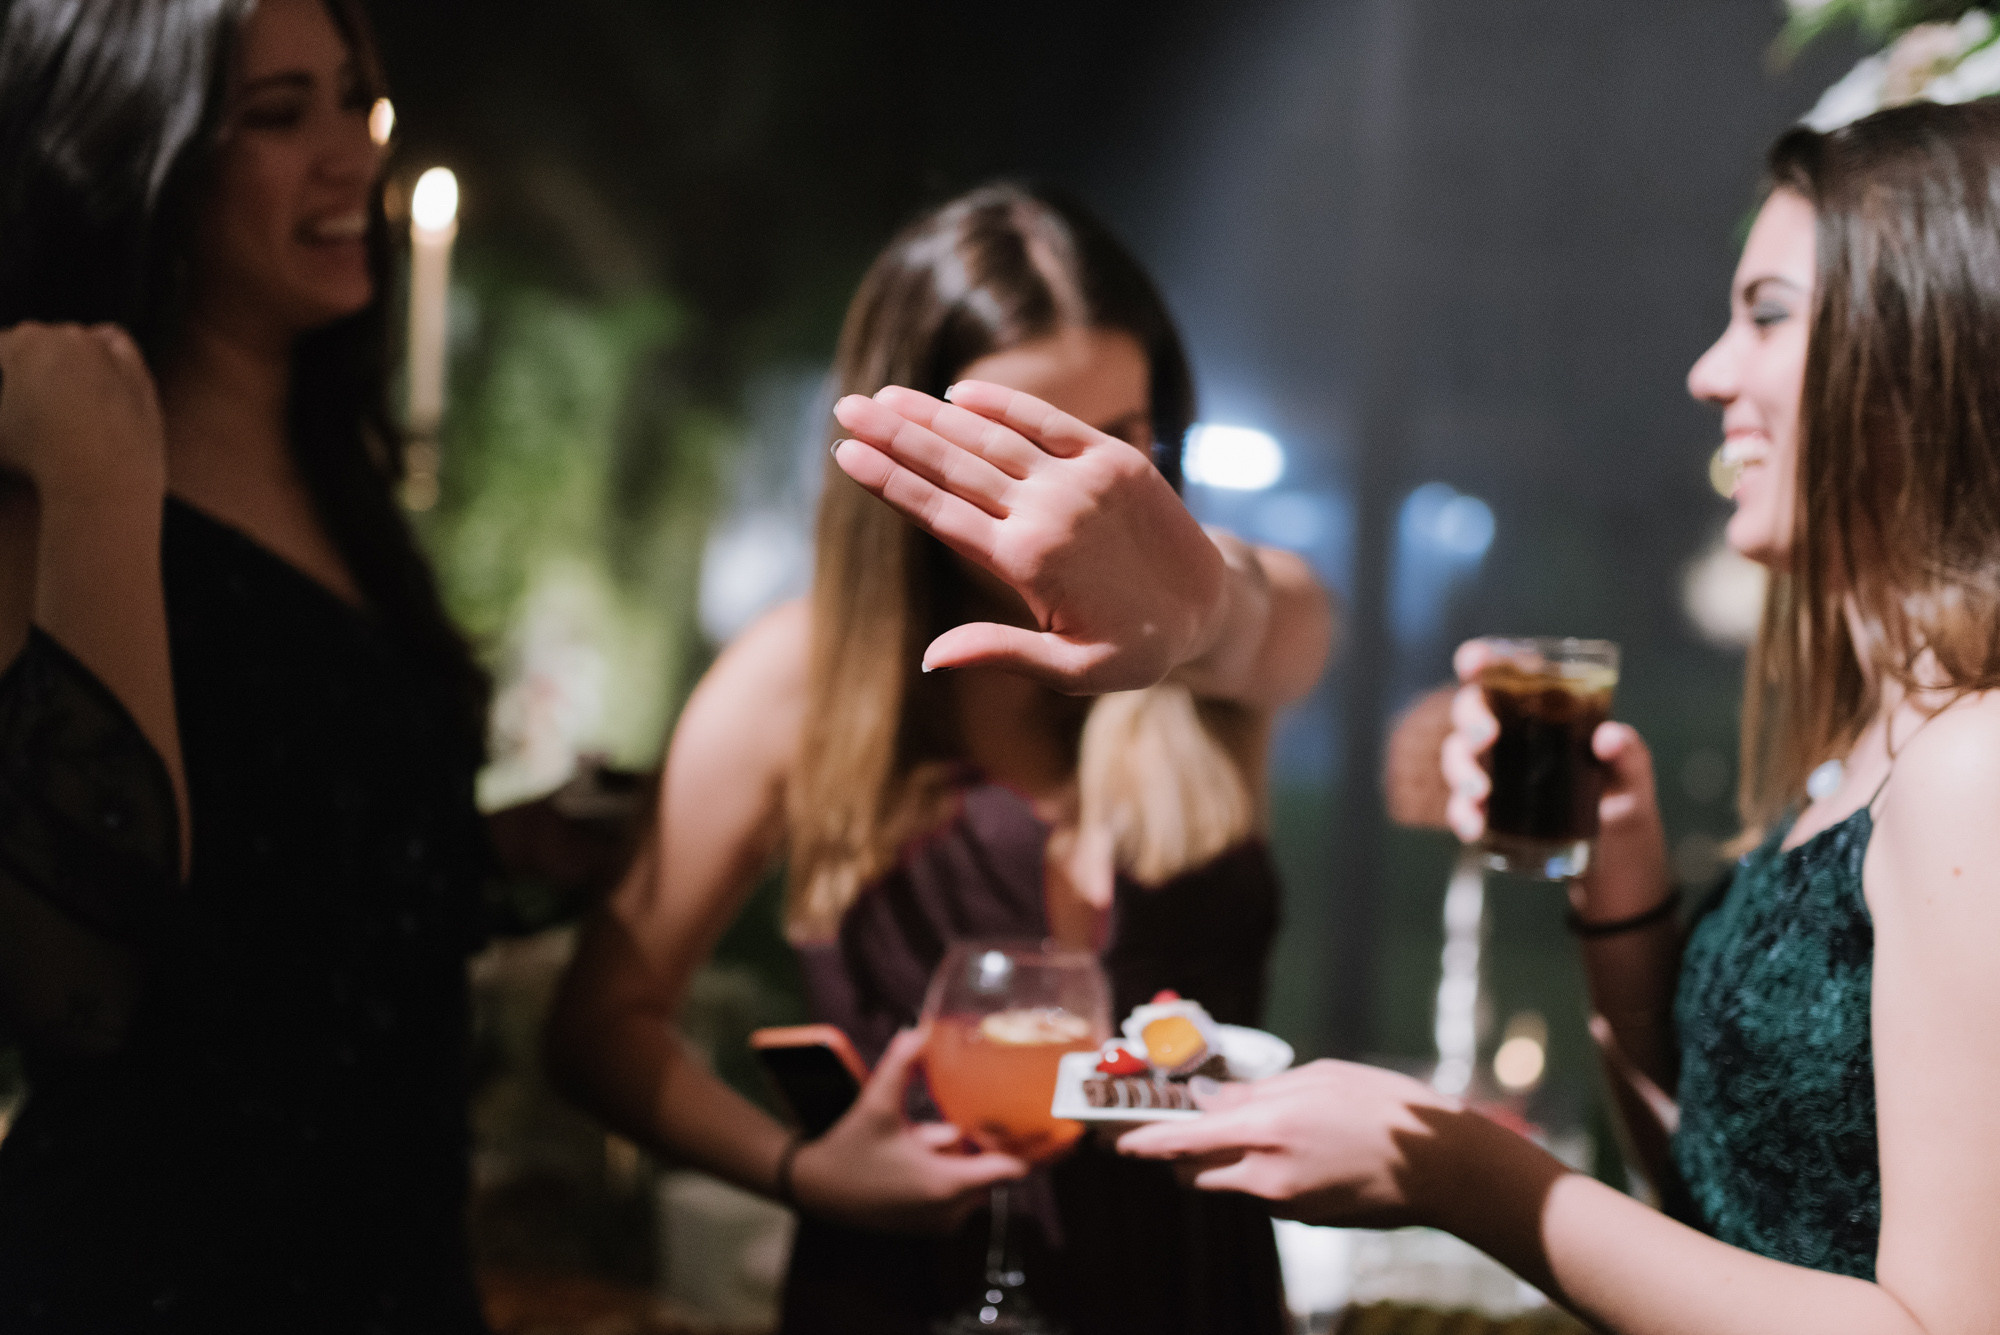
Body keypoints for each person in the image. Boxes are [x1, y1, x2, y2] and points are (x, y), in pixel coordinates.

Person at [1084, 99, 2000, 1332]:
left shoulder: (1974, 767)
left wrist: (1466, 1174)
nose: (1707, 371)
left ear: (1925, 346)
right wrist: (1615, 898)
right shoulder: (1869, 750)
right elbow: (1726, 1208)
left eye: (1766, 315)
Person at [547, 183, 1334, 1335]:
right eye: (1015, 450)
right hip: (909, 1292)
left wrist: (1192, 614)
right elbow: (598, 1021)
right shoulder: (802, 676)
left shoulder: (1217, 629)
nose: (1067, 504)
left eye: (1110, 444)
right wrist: (800, 1173)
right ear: (909, 450)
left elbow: (1280, 631)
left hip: (1189, 1290)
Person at [0, 1, 622, 1327]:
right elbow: (76, 982)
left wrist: (505, 852)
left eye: (357, 101)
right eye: (280, 116)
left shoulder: (340, 475)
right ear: (136, 150)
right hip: (155, 1284)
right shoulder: (53, 478)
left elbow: (291, 901)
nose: (352, 155)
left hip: (392, 1271)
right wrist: (103, 480)